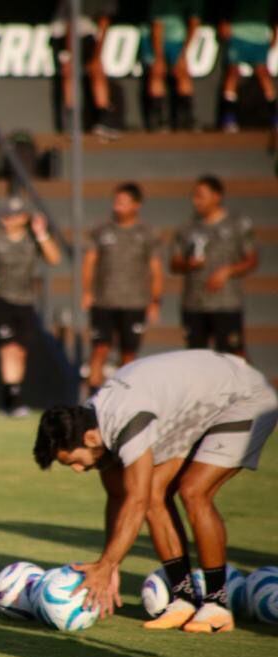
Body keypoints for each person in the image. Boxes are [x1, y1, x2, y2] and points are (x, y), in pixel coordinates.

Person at [33, 350, 278, 633]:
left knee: (194, 491)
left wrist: (108, 563)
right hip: (198, 408)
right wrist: (110, 564)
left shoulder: (127, 420)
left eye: (74, 461)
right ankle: (183, 599)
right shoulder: (92, 421)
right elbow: (118, 496)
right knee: (152, 494)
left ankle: (217, 605)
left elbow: (134, 501)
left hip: (244, 398)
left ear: (89, 439)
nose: (77, 470)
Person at [0, 197, 61, 417]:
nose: (8, 219)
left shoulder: (32, 239)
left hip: (25, 300)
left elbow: (54, 258)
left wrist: (42, 234)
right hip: (1, 299)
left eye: (14, 215)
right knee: (8, 348)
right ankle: (11, 399)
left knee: (20, 351)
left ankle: (14, 396)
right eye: (6, 215)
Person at [82, 183, 163, 393]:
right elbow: (90, 262)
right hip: (104, 300)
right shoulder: (102, 230)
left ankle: (124, 395)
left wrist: (155, 301)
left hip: (134, 302)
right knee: (99, 348)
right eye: (116, 201)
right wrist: (88, 291)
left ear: (136, 205)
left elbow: (155, 268)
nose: (118, 206)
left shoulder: (147, 233)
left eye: (124, 202)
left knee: (128, 353)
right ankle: (92, 396)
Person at [170, 175, 258, 356]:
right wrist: (188, 263)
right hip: (194, 303)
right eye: (194, 195)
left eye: (201, 195)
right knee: (196, 357)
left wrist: (228, 271)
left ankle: (243, 385)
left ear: (217, 196)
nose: (196, 200)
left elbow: (252, 259)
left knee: (233, 357)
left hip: (226, 303)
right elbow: (174, 263)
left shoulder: (237, 225)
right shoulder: (187, 227)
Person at [50, 0, 119, 138]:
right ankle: (71, 123)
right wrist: (69, 54)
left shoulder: (102, 9)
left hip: (87, 36)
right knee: (69, 72)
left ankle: (104, 121)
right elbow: (71, 22)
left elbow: (104, 22)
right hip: (63, 36)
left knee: (97, 69)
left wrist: (97, 56)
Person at [141, 0, 203, 131]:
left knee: (183, 74)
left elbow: (194, 24)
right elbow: (157, 27)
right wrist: (158, 57)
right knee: (156, 73)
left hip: (178, 41)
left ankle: (186, 121)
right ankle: (157, 122)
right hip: (154, 40)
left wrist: (184, 53)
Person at [218, 0, 278, 133]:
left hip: (260, 38)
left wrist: (274, 32)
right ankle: (229, 118)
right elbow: (226, 7)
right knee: (233, 72)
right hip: (238, 36)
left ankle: (274, 117)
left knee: (263, 74)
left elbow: (273, 13)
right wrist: (224, 22)